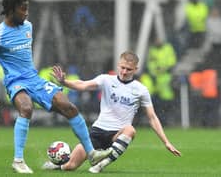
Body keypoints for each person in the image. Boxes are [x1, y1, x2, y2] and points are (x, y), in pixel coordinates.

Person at [0, 0, 111, 174]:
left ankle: (91, 153)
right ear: (11, 10)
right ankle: (18, 161)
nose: (26, 13)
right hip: (15, 81)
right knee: (26, 108)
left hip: (34, 79)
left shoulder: (28, 26)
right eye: (23, 10)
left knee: (69, 107)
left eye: (27, 9)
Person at [43, 51, 181, 173]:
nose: (124, 71)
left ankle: (100, 165)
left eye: (129, 69)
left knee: (130, 130)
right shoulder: (106, 80)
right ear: (118, 65)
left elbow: (152, 117)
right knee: (71, 166)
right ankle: (57, 166)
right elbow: (83, 85)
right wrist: (64, 82)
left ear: (135, 69)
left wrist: (166, 142)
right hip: (98, 131)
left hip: (117, 134)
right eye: (122, 67)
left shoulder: (141, 90)